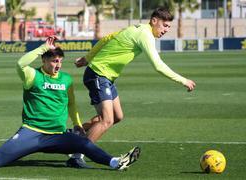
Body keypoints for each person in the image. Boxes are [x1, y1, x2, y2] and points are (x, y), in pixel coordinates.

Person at [0, 36, 140, 170]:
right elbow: (20, 64)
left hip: (57, 135)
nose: (57, 65)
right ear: (44, 60)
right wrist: (41, 47)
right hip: (31, 133)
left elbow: (71, 104)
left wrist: (77, 124)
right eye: (54, 61)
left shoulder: (66, 79)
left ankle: (115, 162)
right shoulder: (33, 76)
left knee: (84, 144)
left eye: (60, 61)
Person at [67, 7, 196, 167]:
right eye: (164, 25)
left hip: (106, 77)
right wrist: (182, 80)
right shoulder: (145, 34)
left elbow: (107, 38)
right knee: (107, 120)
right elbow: (157, 65)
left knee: (117, 117)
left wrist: (88, 58)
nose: (166, 30)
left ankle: (75, 133)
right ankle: (77, 156)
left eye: (169, 27)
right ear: (154, 20)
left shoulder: (137, 28)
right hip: (98, 74)